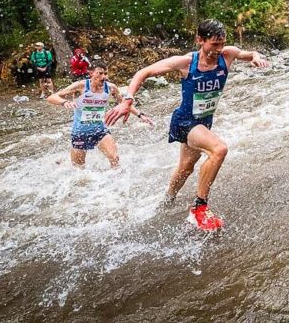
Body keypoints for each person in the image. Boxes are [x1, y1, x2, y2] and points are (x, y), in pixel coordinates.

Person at [105, 19, 268, 231]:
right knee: (219, 150)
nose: (218, 50)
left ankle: (166, 201)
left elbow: (249, 54)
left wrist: (255, 57)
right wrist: (127, 100)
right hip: (185, 121)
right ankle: (199, 208)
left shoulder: (228, 54)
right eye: (214, 44)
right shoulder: (185, 62)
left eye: (222, 44)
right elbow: (143, 73)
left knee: (185, 169)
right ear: (200, 40)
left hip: (203, 122)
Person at [47, 61, 153, 168]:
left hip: (100, 130)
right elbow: (52, 97)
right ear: (91, 73)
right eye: (100, 73)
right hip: (80, 132)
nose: (104, 77)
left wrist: (140, 115)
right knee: (78, 169)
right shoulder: (81, 86)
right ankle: (63, 162)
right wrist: (64, 102)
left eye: (106, 73)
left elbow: (124, 104)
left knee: (115, 159)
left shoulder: (111, 88)